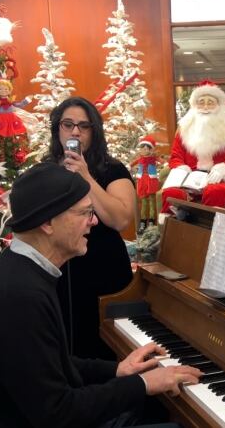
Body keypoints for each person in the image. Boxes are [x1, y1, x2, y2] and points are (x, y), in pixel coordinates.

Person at [0, 162, 201, 427]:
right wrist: (142, 383)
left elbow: (51, 362)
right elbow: (58, 412)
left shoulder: (21, 271)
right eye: (85, 212)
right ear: (48, 222)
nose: (94, 221)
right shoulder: (19, 297)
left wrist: (117, 370)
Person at [47, 97, 137, 359]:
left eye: (84, 126)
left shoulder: (113, 169)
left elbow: (121, 219)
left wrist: (86, 176)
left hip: (104, 271)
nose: (75, 131)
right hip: (60, 273)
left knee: (106, 350)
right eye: (68, 124)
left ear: (93, 132)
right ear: (58, 129)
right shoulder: (47, 170)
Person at [160, 80, 225, 216]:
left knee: (215, 192)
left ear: (219, 105)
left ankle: (208, 228)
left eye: (210, 102)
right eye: (201, 102)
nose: (205, 107)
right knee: (171, 193)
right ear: (195, 105)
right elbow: (176, 155)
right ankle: (174, 231)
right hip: (189, 178)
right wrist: (182, 170)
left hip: (216, 178)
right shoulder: (185, 129)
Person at [130, 135, 164, 233]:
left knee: (152, 202)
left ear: (151, 149)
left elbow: (161, 161)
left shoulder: (153, 158)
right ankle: (143, 222)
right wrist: (130, 166)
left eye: (147, 148)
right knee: (144, 203)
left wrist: (165, 164)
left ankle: (152, 222)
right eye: (143, 148)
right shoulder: (140, 159)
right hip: (142, 182)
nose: (145, 150)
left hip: (151, 181)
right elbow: (132, 163)